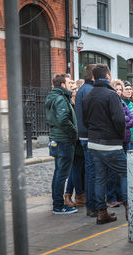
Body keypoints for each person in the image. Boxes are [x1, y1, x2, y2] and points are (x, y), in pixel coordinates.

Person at [82, 64, 127, 224]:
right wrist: (120, 136)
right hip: (111, 142)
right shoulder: (111, 95)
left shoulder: (88, 95)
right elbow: (119, 119)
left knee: (99, 177)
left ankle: (101, 212)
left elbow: (85, 120)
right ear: (107, 76)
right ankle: (130, 208)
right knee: (124, 173)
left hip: (94, 142)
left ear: (93, 77)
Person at [45, 73, 78, 214]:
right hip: (63, 140)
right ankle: (58, 206)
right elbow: (63, 120)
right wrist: (74, 133)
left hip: (57, 139)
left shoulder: (55, 97)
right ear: (62, 85)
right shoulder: (60, 98)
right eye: (69, 82)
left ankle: (57, 204)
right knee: (61, 174)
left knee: (58, 173)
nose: (71, 85)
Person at [106, 79, 133, 208]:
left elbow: (132, 119)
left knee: (123, 170)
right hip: (115, 140)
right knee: (113, 171)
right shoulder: (111, 103)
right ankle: (111, 197)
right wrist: (123, 122)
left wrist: (122, 123)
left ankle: (121, 196)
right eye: (116, 89)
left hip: (125, 139)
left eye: (120, 89)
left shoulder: (123, 103)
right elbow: (113, 121)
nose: (118, 91)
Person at [75, 64, 97, 217]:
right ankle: (93, 205)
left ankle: (92, 205)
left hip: (83, 134)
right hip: (90, 135)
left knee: (90, 170)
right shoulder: (89, 90)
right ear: (94, 76)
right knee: (93, 171)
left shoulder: (82, 90)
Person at [64, 82, 85, 208]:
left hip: (79, 139)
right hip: (75, 140)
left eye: (76, 88)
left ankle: (71, 194)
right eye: (73, 89)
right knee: (76, 168)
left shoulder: (77, 104)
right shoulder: (70, 105)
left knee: (78, 168)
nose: (75, 91)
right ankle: (78, 195)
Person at [122, 81, 133, 150]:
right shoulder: (120, 103)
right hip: (126, 138)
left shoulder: (132, 104)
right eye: (126, 89)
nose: (129, 91)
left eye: (130, 89)